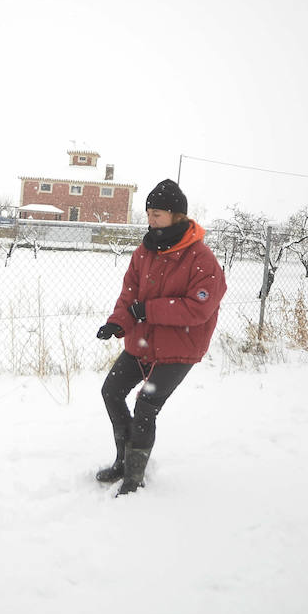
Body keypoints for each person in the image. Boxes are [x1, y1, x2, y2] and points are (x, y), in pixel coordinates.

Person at [93, 179, 227, 495]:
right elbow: (129, 295)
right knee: (111, 391)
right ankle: (123, 462)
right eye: (149, 213)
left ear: (176, 216)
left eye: (158, 215)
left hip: (180, 347)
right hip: (142, 342)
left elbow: (199, 308)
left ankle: (134, 478)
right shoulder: (144, 252)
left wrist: (148, 311)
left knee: (146, 405)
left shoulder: (201, 258)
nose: (151, 220)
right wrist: (118, 322)